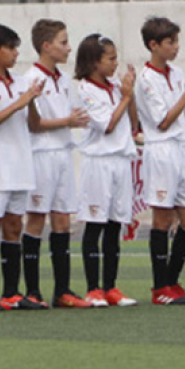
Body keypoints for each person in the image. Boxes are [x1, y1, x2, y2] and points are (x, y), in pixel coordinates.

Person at [0, 24, 45, 311]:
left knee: (15, 227)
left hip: (20, 165)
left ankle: (12, 293)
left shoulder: (19, 82)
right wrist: (19, 103)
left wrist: (32, 102)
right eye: (11, 48)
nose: (16, 53)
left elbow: (34, 124)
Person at [135, 17, 185, 306]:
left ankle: (171, 280)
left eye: (176, 41)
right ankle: (159, 287)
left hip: (179, 149)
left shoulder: (176, 73)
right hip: (161, 150)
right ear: (154, 45)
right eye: (170, 42)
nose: (176, 47)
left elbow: (182, 116)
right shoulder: (146, 79)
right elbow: (162, 121)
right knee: (163, 219)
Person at [22, 19, 92, 309]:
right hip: (41, 155)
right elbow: (33, 124)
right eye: (63, 42)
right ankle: (33, 291)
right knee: (37, 220)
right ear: (46, 46)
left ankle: (62, 291)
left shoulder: (62, 79)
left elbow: (69, 115)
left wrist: (72, 119)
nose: (68, 47)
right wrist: (67, 121)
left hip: (63, 152)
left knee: (63, 222)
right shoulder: (30, 80)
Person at [75, 34, 140, 307]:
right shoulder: (84, 90)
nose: (115, 63)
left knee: (115, 225)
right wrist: (125, 97)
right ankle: (93, 288)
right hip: (98, 162)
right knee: (95, 224)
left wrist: (129, 93)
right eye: (110, 58)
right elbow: (108, 125)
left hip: (120, 161)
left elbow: (133, 123)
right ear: (94, 61)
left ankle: (111, 286)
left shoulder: (115, 88)